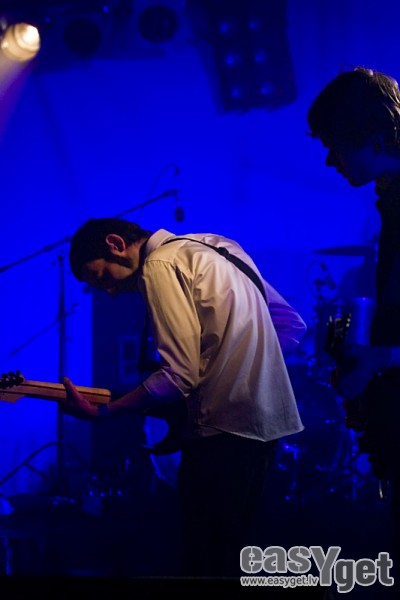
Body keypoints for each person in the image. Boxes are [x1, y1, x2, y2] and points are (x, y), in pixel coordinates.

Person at [60, 218, 306, 578]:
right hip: (266, 431)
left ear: (115, 243)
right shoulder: (220, 247)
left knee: (205, 566)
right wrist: (244, 368)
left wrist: (106, 412)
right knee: (241, 561)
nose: (110, 291)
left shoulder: (159, 264)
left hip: (220, 432)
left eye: (102, 277)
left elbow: (178, 376)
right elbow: (290, 324)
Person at [307, 66, 400, 566]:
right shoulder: (391, 201)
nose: (329, 160)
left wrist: (380, 359)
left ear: (373, 136)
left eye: (335, 145)